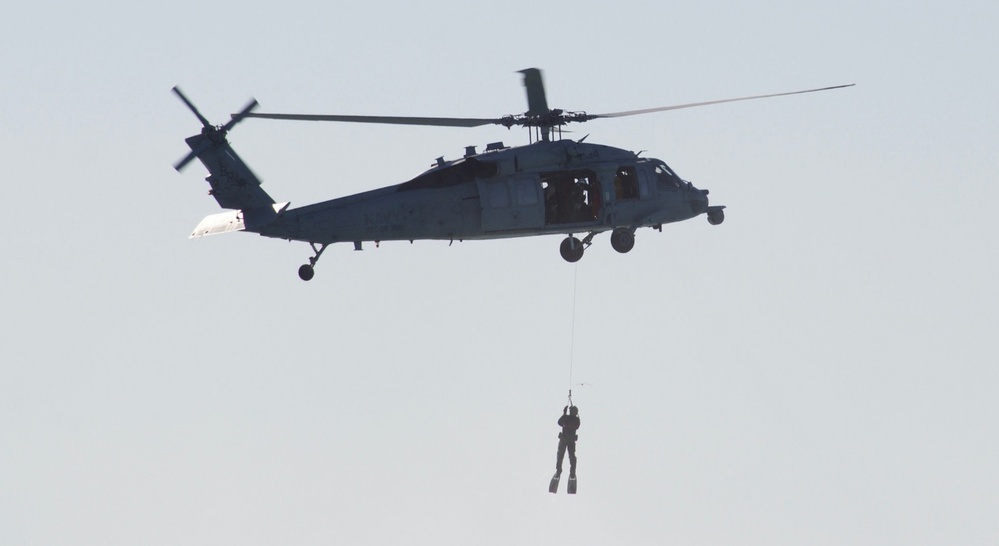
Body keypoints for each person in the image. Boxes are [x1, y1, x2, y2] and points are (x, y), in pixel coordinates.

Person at [555, 405, 580, 478]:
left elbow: (559, 422)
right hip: (570, 440)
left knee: (561, 455)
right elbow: (577, 426)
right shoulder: (576, 419)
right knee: (571, 456)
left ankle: (559, 471)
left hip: (565, 439)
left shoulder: (567, 418)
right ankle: (572, 472)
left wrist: (564, 414)